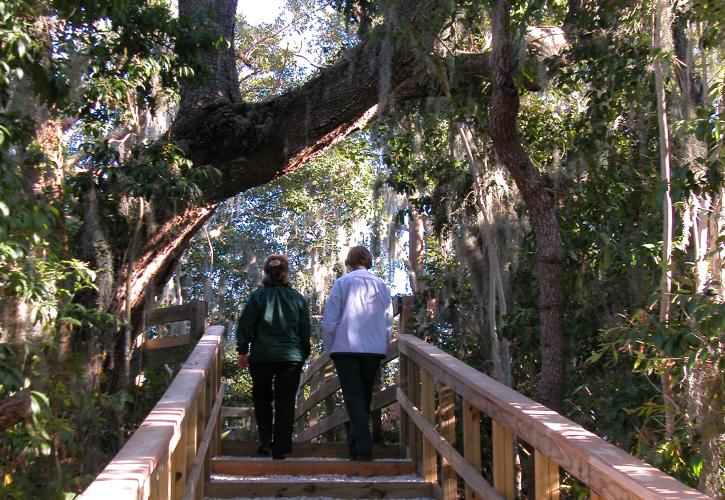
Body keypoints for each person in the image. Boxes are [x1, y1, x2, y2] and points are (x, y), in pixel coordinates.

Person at [322, 246, 393, 461]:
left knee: (354, 399)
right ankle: (355, 450)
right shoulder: (381, 285)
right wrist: (383, 345)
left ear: (350, 261)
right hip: (372, 350)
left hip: (345, 349)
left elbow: (330, 321)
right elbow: (388, 321)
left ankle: (364, 450)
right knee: (363, 399)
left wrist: (329, 348)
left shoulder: (342, 283)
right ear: (367, 260)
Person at [237, 254, 311, 460]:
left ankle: (264, 444)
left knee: (262, 399)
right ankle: (281, 448)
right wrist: (304, 351)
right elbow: (305, 329)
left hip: (262, 357)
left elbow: (245, 325)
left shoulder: (257, 297)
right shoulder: (297, 298)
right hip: (291, 357)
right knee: (285, 401)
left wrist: (242, 351)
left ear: (265, 272)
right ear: (286, 273)